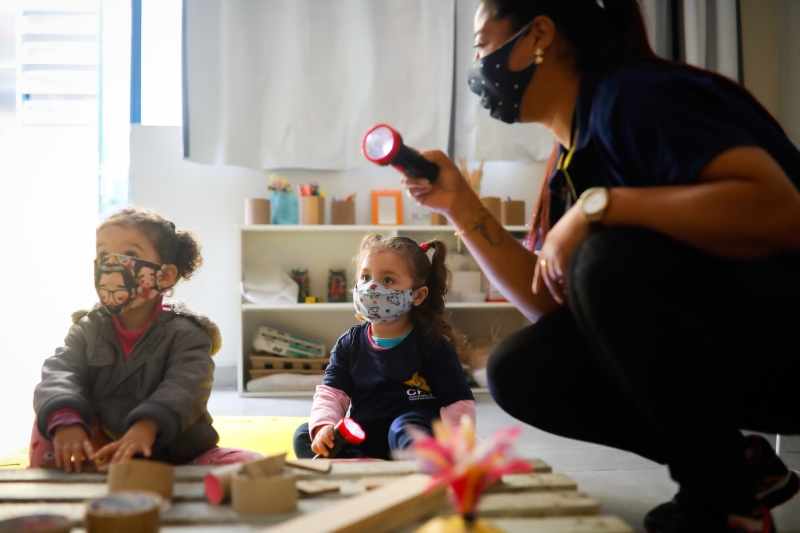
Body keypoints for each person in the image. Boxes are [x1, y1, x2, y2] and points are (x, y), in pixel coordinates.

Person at [400, 1, 800, 532]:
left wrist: (602, 207)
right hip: (734, 351)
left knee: (604, 257)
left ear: (539, 34)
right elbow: (553, 302)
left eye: (482, 45)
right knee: (522, 369)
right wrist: (460, 205)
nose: (478, 66)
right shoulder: (572, 155)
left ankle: (720, 503)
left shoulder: (635, 97)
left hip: (785, 344)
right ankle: (736, 468)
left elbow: (783, 212)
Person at [31, 207, 261, 472]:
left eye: (130, 254)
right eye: (103, 255)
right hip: (103, 450)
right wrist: (64, 417)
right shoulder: (87, 328)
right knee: (51, 419)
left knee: (250, 465)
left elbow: (185, 388)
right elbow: (59, 371)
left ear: (164, 275)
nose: (111, 265)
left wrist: (148, 425)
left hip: (175, 457)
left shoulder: (187, 334)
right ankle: (80, 478)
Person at [292, 235, 475, 460]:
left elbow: (457, 403)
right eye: (366, 277)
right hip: (364, 439)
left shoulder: (432, 345)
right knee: (305, 435)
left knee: (405, 425)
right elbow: (332, 393)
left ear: (418, 295)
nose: (372, 287)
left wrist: (455, 450)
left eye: (388, 280)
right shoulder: (349, 343)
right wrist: (324, 428)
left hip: (411, 442)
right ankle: (365, 463)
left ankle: (408, 465)